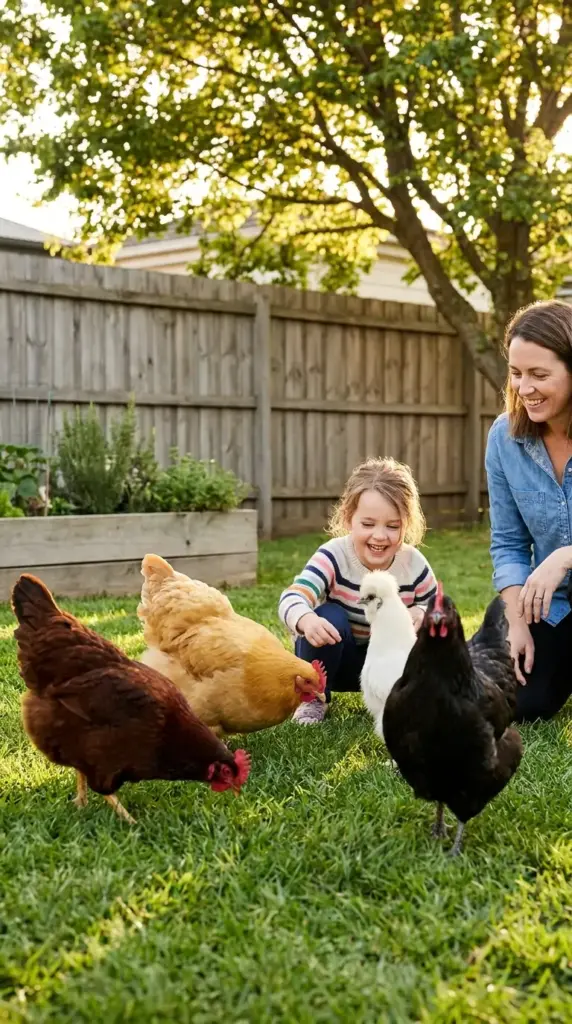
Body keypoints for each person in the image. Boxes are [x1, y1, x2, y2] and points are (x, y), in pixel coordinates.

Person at [278, 456, 438, 724]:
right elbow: (292, 597)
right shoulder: (333, 555)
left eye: (392, 526)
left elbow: (439, 607)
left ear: (406, 525)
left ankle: (407, 699)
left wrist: (422, 614)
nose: (379, 535)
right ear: (348, 519)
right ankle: (315, 698)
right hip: (339, 663)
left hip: (388, 668)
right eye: (368, 524)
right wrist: (306, 620)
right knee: (329, 615)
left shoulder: (413, 564)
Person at [485, 299, 572, 722]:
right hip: (550, 603)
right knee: (522, 701)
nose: (524, 387)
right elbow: (508, 543)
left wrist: (565, 556)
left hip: (558, 577)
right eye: (517, 373)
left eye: (539, 374)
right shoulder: (504, 438)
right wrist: (516, 620)